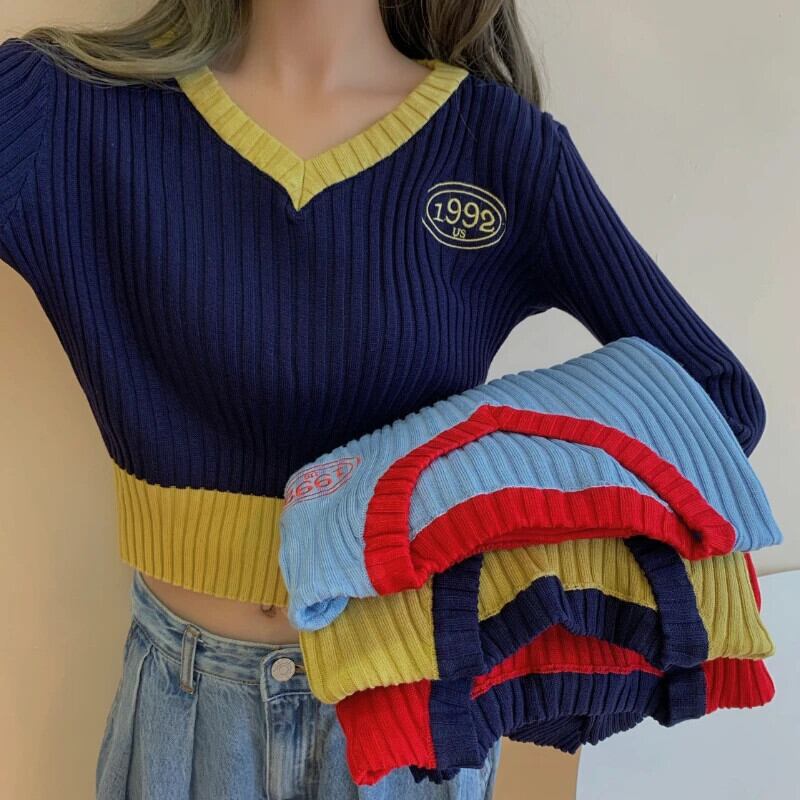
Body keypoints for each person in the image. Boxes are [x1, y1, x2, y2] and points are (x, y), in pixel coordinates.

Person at [0, 1, 766, 798]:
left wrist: (414, 509)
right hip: (184, 711)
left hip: (411, 719)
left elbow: (715, 404)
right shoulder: (61, 105)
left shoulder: (496, 144)